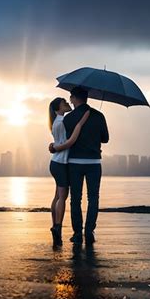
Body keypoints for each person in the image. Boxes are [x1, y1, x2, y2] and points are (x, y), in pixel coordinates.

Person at [50, 86, 109, 245]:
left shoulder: (68, 119)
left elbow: (65, 140)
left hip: (74, 163)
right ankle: (89, 232)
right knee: (93, 198)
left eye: (71, 97)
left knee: (75, 199)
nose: (69, 100)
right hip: (94, 164)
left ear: (75, 98)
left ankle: (77, 234)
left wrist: (53, 147)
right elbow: (105, 139)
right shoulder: (99, 115)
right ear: (87, 97)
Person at [48, 97, 90, 247]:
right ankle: (57, 227)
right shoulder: (62, 123)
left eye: (67, 101)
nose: (67, 104)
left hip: (56, 163)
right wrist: (82, 121)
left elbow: (59, 143)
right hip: (61, 164)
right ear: (57, 108)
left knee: (57, 196)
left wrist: (53, 146)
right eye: (64, 103)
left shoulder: (56, 122)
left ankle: (55, 226)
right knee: (63, 197)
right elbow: (70, 142)